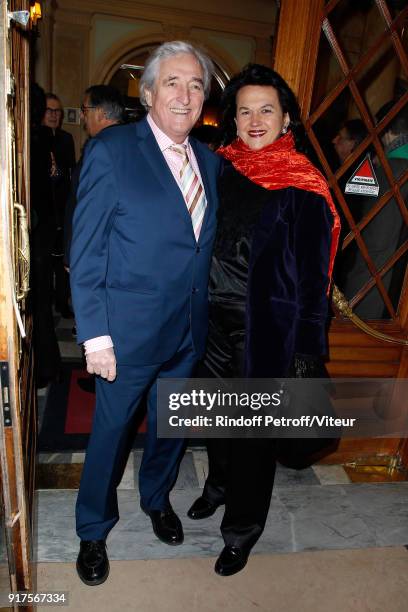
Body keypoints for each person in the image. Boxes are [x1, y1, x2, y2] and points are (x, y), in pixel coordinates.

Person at [69, 41, 221, 586]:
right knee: (109, 436)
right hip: (126, 334)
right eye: (173, 83)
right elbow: (86, 252)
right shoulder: (112, 150)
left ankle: (157, 500)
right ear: (149, 91)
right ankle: (92, 528)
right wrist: (96, 335)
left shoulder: (209, 159)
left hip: (188, 329)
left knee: (171, 429)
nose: (185, 95)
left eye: (196, 84)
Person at [187, 64, 340, 576]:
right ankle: (217, 485)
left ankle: (242, 529)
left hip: (264, 334)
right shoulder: (217, 167)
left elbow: (314, 279)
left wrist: (306, 350)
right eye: (245, 110)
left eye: (266, 110)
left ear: (287, 117)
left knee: (251, 436)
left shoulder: (304, 184)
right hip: (206, 322)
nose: (254, 120)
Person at [342, 101, 408, 318]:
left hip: (376, 303)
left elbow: (375, 247)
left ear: (386, 132)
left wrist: (351, 307)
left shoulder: (391, 173)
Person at [30, 84, 62, 387]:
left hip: (36, 232)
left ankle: (44, 369)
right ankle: (46, 367)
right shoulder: (40, 141)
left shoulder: (33, 140)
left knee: (37, 304)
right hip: (39, 230)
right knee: (39, 303)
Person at [42, 93, 76, 318]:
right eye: (50, 111)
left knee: (64, 261)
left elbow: (70, 173)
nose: (54, 115)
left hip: (63, 209)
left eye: (58, 111)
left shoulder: (66, 138)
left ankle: (62, 302)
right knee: (43, 262)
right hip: (42, 210)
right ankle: (44, 304)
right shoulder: (35, 137)